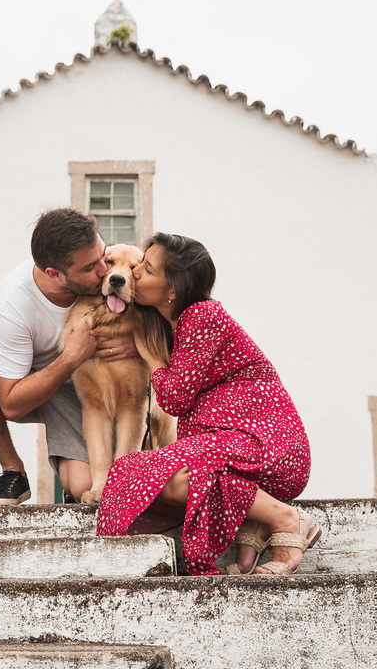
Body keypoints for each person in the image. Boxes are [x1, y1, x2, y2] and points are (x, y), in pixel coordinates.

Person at [95, 232, 317, 576]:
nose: (135, 273)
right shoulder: (178, 323)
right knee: (160, 479)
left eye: (147, 269)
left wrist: (152, 358)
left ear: (173, 289)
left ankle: (284, 518)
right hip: (234, 448)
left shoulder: (202, 316)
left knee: (137, 471)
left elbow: (174, 399)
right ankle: (254, 522)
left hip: (266, 442)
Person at [0, 208, 140, 504]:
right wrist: (70, 358)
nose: (104, 270)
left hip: (90, 384)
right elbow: (11, 405)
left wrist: (136, 341)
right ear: (54, 273)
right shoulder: (14, 303)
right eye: (91, 267)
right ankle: (13, 472)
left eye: (104, 255)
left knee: (86, 488)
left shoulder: (101, 262)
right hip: (37, 381)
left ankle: (75, 474)